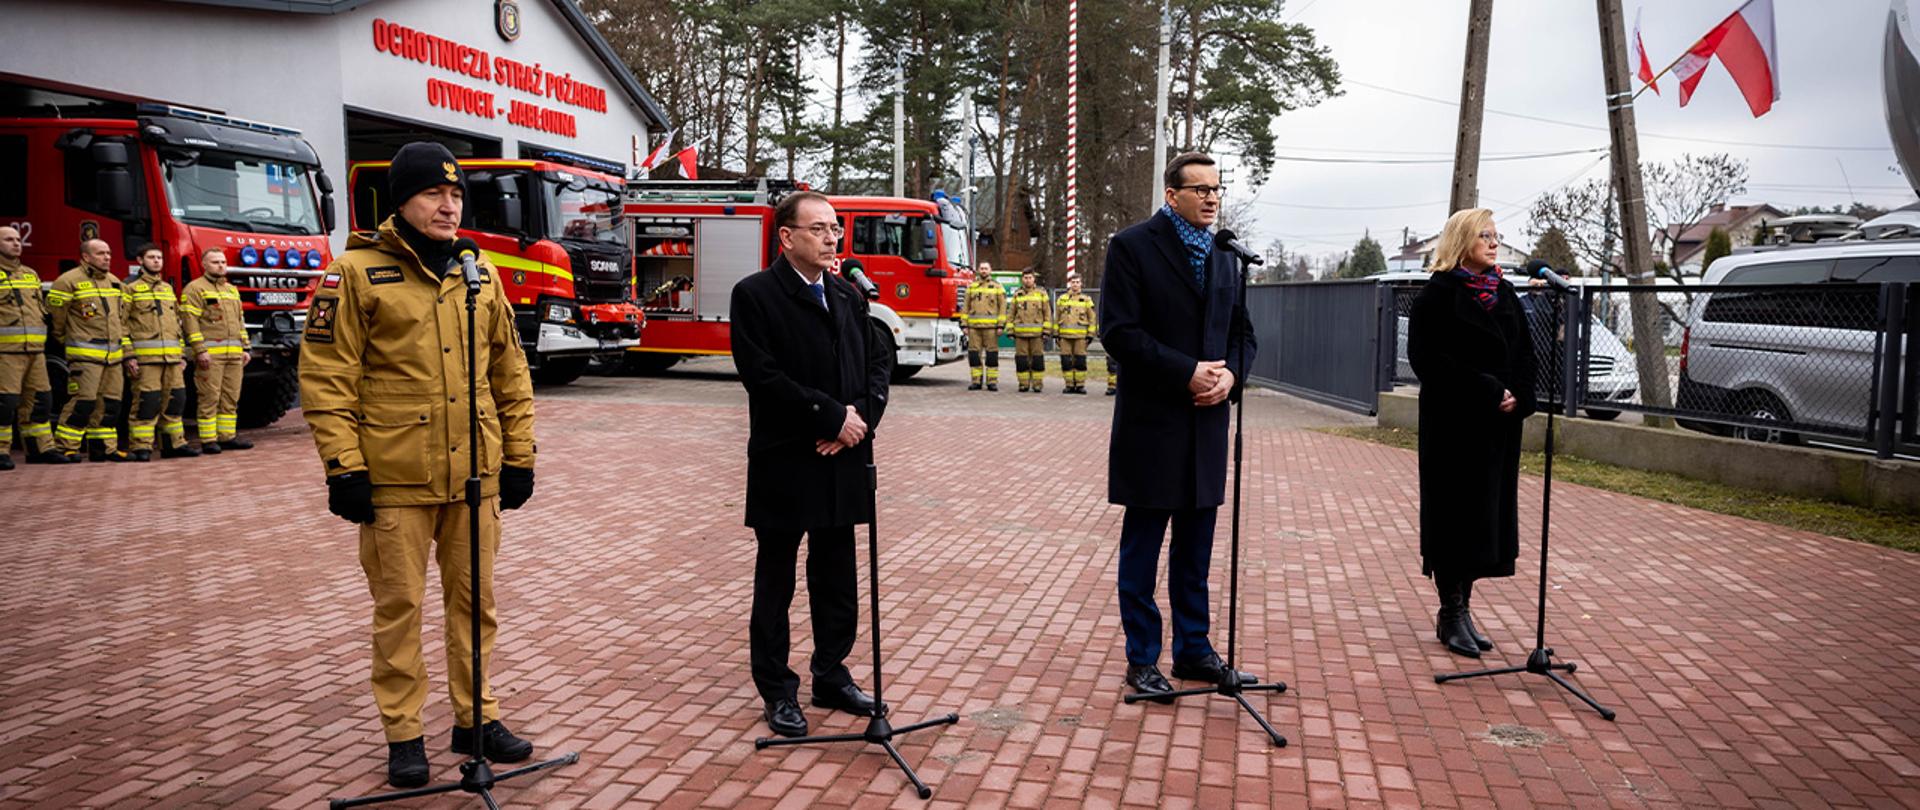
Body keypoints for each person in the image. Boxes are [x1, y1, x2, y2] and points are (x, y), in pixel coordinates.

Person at [299, 141, 540, 788]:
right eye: (435, 193)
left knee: (475, 603)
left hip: (475, 475)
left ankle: (477, 718)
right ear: (401, 200)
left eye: (456, 195)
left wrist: (518, 456)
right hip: (394, 477)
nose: (448, 205)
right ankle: (404, 732)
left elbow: (509, 372)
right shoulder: (353, 271)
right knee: (399, 607)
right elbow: (326, 377)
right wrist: (343, 467)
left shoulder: (478, 273)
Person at [729, 190, 893, 740]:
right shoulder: (755, 295)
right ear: (787, 237)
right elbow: (762, 375)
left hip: (843, 458)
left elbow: (877, 367)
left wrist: (860, 421)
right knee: (776, 579)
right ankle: (777, 689)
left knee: (837, 575)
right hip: (787, 459)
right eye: (819, 229)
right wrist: (828, 418)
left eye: (835, 230)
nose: (832, 239)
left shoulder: (849, 295)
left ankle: (832, 674)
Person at [1099, 152, 1258, 701]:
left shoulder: (1225, 256)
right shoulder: (1132, 246)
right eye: (1201, 190)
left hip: (1207, 427)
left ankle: (1194, 650)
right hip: (1154, 425)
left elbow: (1243, 334)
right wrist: (1186, 371)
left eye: (1218, 189)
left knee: (1195, 554)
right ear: (1172, 195)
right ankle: (1142, 659)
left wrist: (1232, 375)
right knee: (1142, 553)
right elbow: (1118, 332)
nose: (1212, 198)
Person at [1406, 208, 1537, 659]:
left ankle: (1462, 609)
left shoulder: (1505, 294)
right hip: (1452, 425)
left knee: (1486, 518)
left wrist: (1519, 393)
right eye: (1485, 234)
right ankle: (1452, 610)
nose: (1495, 242)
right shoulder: (1435, 297)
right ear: (1463, 240)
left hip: (1496, 428)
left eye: (1497, 235)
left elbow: (1526, 355)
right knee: (1453, 517)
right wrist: (1485, 389)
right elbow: (1427, 360)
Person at [47, 239, 129, 463]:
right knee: (83, 402)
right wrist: (71, 340)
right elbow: (57, 320)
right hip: (85, 355)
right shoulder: (67, 281)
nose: (107, 257)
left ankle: (104, 448)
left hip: (113, 356)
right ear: (86, 257)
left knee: (110, 404)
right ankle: (66, 447)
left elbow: (121, 318)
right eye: (101, 253)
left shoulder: (114, 282)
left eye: (109, 253)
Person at [121, 244, 191, 461]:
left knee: (175, 400)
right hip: (146, 360)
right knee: (147, 402)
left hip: (172, 359)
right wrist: (128, 355)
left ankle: (174, 444)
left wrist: (181, 354)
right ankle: (141, 447)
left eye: (159, 257)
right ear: (140, 260)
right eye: (151, 257)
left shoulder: (167, 289)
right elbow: (121, 324)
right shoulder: (128, 288)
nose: (157, 261)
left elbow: (176, 325)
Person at [179, 247, 251, 454]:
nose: (220, 265)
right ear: (204, 265)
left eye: (223, 262)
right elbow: (189, 322)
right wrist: (199, 350)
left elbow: (240, 321)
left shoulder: (231, 290)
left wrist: (245, 347)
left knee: (231, 397)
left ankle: (227, 437)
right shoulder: (194, 289)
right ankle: (208, 440)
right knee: (209, 397)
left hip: (234, 354)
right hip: (210, 356)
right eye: (215, 262)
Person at [0, 226, 58, 468]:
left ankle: (39, 449)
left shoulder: (30, 274)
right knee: (5, 404)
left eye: (17, 239)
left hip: (35, 352)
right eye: (9, 240)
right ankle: (1, 451)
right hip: (5, 353)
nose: (16, 243)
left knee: (40, 401)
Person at [961, 261, 1007, 391]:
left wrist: (1001, 326)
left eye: (986, 268)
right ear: (978, 270)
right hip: (974, 328)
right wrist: (964, 325)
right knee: (974, 355)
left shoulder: (998, 287)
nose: (984, 270)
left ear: (990, 270)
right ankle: (976, 381)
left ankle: (992, 382)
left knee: (992, 355)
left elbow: (1003, 308)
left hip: (991, 328)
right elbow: (965, 307)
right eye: (981, 268)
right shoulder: (972, 287)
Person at [1008, 269, 1052, 392]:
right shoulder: (1017, 294)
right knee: (1021, 360)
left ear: (1034, 279)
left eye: (1030, 277)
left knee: (1037, 360)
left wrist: (1046, 331)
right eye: (1025, 277)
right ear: (1022, 279)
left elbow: (1047, 313)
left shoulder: (1041, 294)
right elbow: (1011, 314)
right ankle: (1023, 384)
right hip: (1020, 335)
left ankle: (1037, 384)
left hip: (1037, 334)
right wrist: (1010, 331)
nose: (1028, 280)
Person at [1054, 272, 1097, 394]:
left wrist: (1090, 334)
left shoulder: (1087, 300)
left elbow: (1092, 319)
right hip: (1064, 337)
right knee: (1066, 361)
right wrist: (1056, 333)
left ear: (1081, 284)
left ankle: (1080, 385)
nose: (1075, 285)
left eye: (1077, 282)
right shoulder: (1062, 299)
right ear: (1069, 283)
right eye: (1073, 282)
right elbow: (1056, 317)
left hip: (1080, 337)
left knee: (1080, 361)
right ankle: (1068, 385)